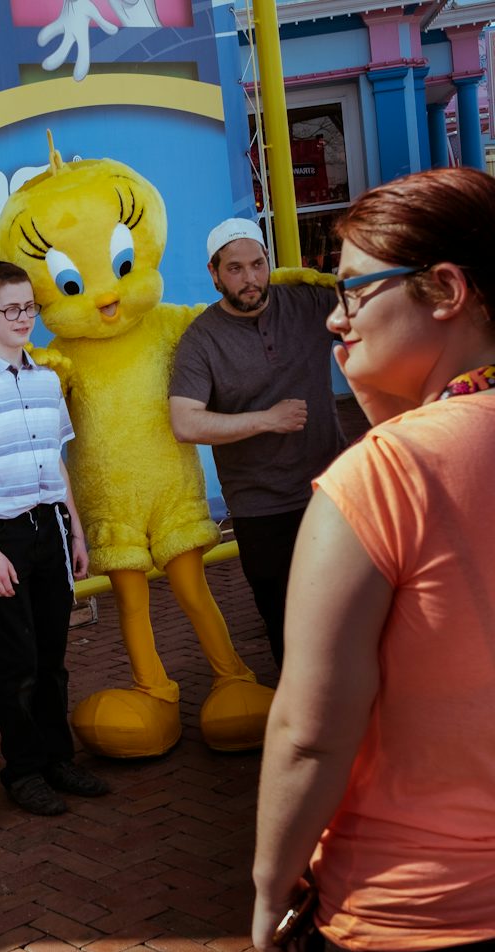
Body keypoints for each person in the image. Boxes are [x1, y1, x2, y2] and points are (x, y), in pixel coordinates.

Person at [251, 167, 495, 952]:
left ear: (445, 290)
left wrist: (268, 881)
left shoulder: (383, 478)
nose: (334, 316)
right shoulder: (400, 458)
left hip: (416, 930)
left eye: (354, 289)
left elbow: (312, 732)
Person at [0, 260, 107, 815]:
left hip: (50, 527)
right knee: (19, 661)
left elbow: (56, 463)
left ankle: (59, 760)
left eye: (29, 306)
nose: (24, 317)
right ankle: (23, 770)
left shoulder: (46, 378)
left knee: (53, 654)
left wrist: (75, 531)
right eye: (11, 309)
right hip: (1, 536)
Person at [169, 218, 344, 666]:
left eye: (258, 264)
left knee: (350, 614)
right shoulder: (201, 340)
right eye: (235, 269)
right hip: (260, 507)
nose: (250, 279)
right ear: (213, 273)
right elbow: (186, 423)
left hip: (332, 490)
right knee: (286, 629)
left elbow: (375, 309)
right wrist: (266, 419)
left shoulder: (307, 302)